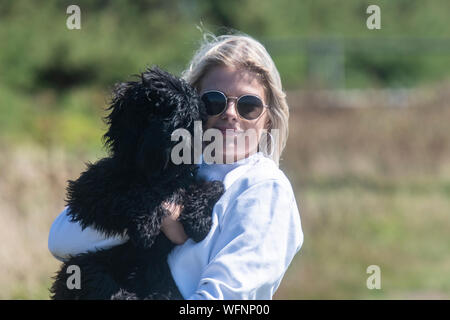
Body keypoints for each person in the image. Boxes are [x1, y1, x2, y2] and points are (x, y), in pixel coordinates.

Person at [48, 32, 304, 300]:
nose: (230, 113)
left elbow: (224, 298)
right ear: (193, 106)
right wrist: (158, 213)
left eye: (248, 106)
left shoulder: (264, 188)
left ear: (269, 120)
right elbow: (62, 241)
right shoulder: (170, 164)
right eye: (213, 101)